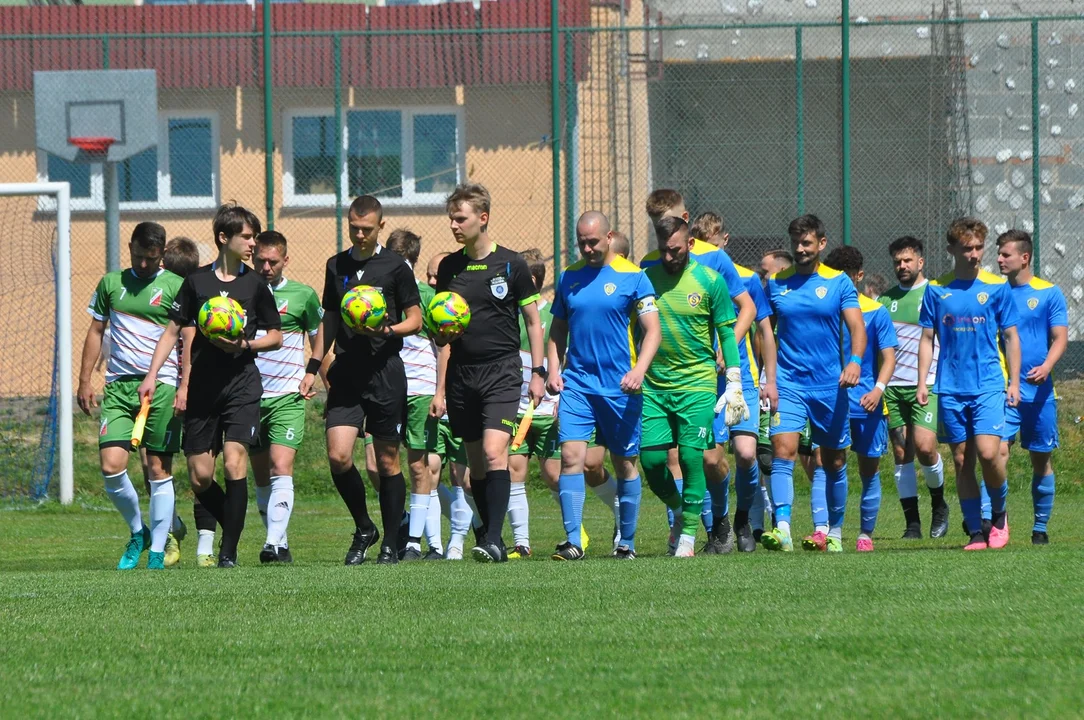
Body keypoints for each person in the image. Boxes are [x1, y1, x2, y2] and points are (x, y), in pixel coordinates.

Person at [138, 204, 283, 568]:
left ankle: (228, 552)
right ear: (224, 238)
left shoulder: (255, 285)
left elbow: (277, 336)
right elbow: (173, 330)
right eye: (246, 237)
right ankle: (233, 522)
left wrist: (246, 345)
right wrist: (152, 375)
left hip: (242, 386)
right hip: (203, 388)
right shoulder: (197, 282)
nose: (252, 244)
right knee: (201, 475)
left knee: (235, 462)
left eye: (253, 237)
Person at [299, 195, 422, 565]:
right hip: (347, 371)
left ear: (380, 227)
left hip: (385, 372)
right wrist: (312, 366)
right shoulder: (335, 265)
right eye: (353, 226)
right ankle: (364, 527)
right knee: (338, 456)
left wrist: (387, 329)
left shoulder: (396, 267)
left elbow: (415, 319)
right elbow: (331, 320)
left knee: (387, 462)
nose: (359, 233)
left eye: (366, 229)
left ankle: (390, 543)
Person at [430, 183, 547, 563]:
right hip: (463, 375)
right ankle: (488, 532)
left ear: (483, 218)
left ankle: (495, 539)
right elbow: (440, 327)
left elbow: (533, 321)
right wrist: (441, 371)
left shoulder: (511, 264)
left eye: (460, 218)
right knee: (475, 465)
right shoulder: (449, 266)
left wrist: (538, 371)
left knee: (497, 454)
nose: (453, 225)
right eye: (450, 218)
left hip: (501, 372)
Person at [641, 191, 757, 551]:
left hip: (698, 381)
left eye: (675, 248)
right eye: (664, 250)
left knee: (694, 456)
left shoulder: (711, 277)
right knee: (653, 460)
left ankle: (690, 534)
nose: (670, 255)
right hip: (655, 384)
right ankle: (680, 510)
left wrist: (734, 379)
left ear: (688, 239)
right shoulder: (645, 275)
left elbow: (730, 325)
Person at [547, 211, 660, 560]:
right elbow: (557, 330)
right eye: (581, 242)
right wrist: (554, 368)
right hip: (578, 384)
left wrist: (640, 369)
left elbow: (653, 331)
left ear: (609, 237)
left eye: (593, 241)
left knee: (625, 463)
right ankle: (573, 542)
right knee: (571, 457)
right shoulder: (569, 277)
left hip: (620, 387)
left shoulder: (634, 277)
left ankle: (626, 542)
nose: (587, 247)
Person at [78, 222, 185, 570]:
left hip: (162, 386)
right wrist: (84, 381)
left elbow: (188, 340)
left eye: (150, 259)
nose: (142, 265)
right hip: (119, 387)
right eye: (138, 257)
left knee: (158, 468)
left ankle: (157, 550)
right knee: (111, 466)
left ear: (162, 254)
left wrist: (185, 385)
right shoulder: (111, 283)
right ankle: (138, 531)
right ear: (130, 248)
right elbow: (96, 331)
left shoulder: (177, 287)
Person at [760, 215, 866, 553]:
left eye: (807, 243)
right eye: (796, 243)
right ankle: (784, 528)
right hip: (789, 383)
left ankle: (834, 531)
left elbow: (857, 329)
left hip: (829, 385)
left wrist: (854, 362)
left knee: (832, 460)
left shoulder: (838, 283)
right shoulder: (776, 283)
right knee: (783, 450)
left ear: (821, 243)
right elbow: (765, 334)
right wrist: (768, 380)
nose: (801, 249)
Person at [917, 217, 1021, 551]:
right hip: (950, 387)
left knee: (990, 454)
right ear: (952, 250)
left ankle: (1000, 515)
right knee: (962, 461)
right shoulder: (936, 289)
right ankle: (976, 531)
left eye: (979, 247)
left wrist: (1014, 382)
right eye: (967, 248)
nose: (975, 254)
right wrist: (923, 382)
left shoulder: (996, 287)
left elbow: (1011, 337)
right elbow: (926, 338)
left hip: (989, 384)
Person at [249, 231, 322, 564]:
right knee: (261, 475)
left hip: (287, 396)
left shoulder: (302, 295)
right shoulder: (241, 293)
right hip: (248, 397)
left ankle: (272, 543)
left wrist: (313, 371)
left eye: (272, 261)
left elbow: (320, 338)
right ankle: (280, 541)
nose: (266, 267)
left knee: (281, 466)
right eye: (260, 260)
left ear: (285, 260)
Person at [824, 247, 898, 551]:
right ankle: (835, 533)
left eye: (848, 276)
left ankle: (866, 534)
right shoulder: (824, 309)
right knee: (833, 464)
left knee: (869, 468)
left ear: (859, 276)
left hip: (867, 402)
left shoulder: (876, 311)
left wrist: (878, 389)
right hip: (832, 401)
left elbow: (889, 357)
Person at [995, 230, 1067, 544]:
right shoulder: (995, 293)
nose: (998, 259)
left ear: (1024, 257)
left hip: (1039, 393)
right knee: (997, 453)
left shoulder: (1049, 293)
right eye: (998, 253)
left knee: (1041, 458)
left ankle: (1040, 528)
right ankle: (999, 522)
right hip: (1003, 390)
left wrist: (1047, 366)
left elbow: (1060, 337)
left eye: (1005, 254)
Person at [877, 237, 949, 539]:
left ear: (920, 262)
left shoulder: (936, 294)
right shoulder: (885, 300)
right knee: (900, 452)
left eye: (907, 260)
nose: (902, 266)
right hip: (892, 388)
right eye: (897, 261)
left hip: (926, 384)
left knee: (925, 447)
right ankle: (912, 524)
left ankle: (939, 505)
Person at [386, 228, 446, 561]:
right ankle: (402, 522)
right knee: (379, 461)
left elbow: (443, 346)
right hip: (387, 387)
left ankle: (413, 542)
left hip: (421, 388)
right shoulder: (377, 292)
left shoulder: (425, 293)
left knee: (419, 465)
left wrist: (440, 391)